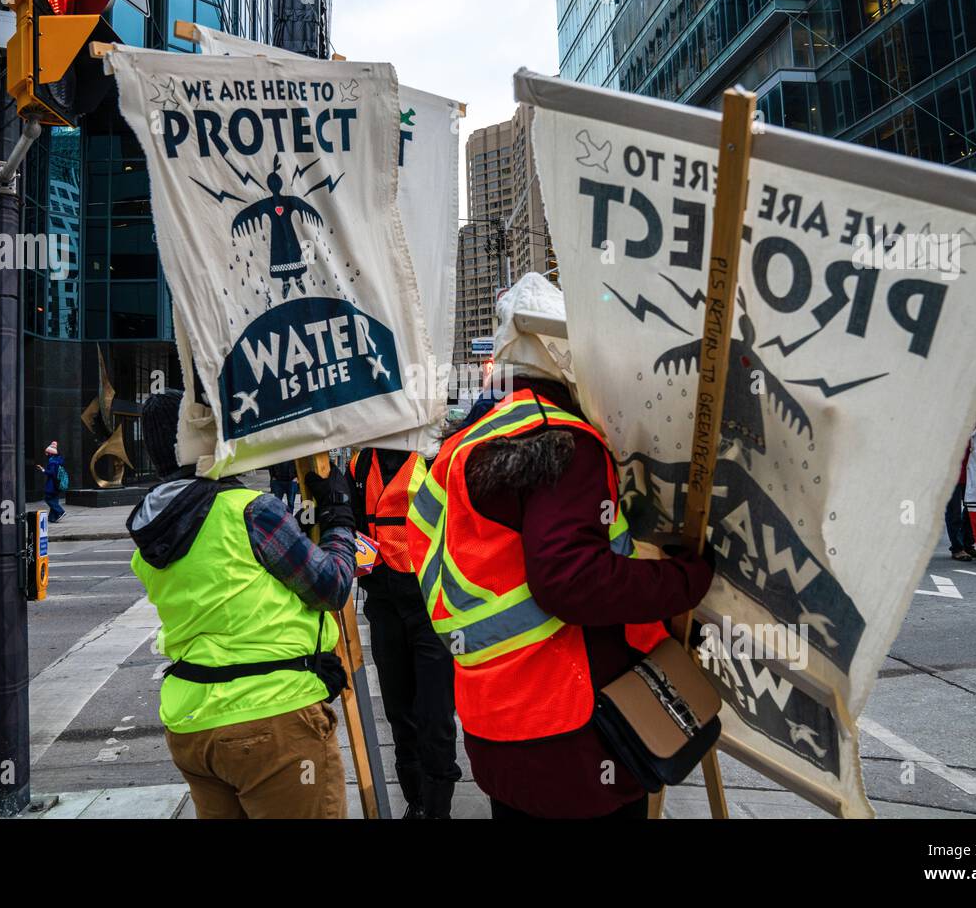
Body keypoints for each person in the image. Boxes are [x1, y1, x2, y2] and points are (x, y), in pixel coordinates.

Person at [406, 273, 716, 819]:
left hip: (496, 728)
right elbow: (570, 581)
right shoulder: (560, 437)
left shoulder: (461, 448)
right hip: (573, 735)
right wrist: (684, 581)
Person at [128, 389, 357, 818]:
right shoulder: (247, 510)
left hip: (192, 726)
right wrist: (339, 518)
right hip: (271, 720)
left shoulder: (150, 531)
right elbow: (331, 586)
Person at [349, 446, 460, 818]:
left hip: (431, 609)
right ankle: (416, 803)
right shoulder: (360, 464)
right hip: (384, 607)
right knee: (399, 714)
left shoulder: (435, 457)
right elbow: (351, 528)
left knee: (435, 718)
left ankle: (438, 810)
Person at [944, 443, 976, 561]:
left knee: (972, 510)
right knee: (954, 512)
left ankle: (968, 544)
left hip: (970, 474)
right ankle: (957, 548)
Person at [36, 441, 66, 523]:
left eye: (47, 453)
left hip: (52, 484)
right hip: (58, 483)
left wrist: (43, 469)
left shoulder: (52, 462)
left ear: (50, 453)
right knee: (54, 500)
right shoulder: (59, 460)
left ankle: (60, 511)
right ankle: (52, 518)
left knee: (48, 499)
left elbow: (51, 473)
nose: (46, 454)